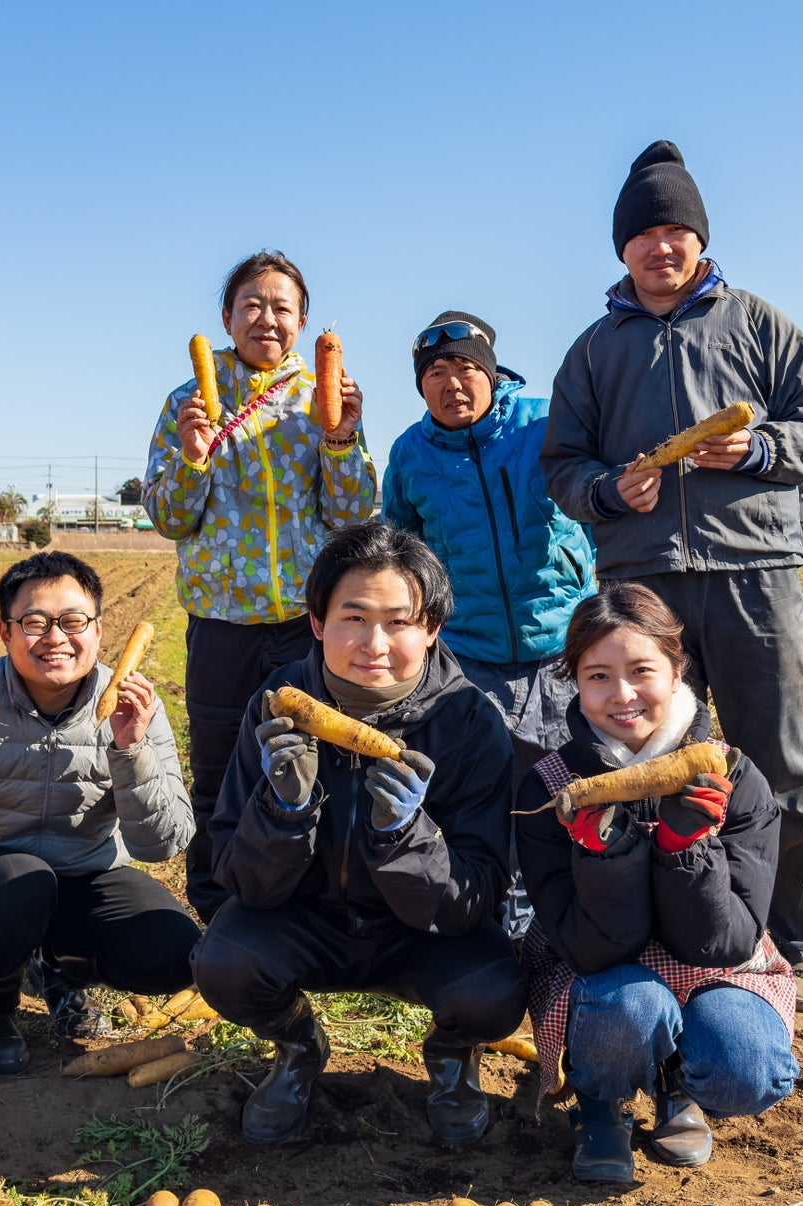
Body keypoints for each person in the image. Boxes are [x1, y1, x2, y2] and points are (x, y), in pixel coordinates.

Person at [539, 139, 803, 1011]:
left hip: (754, 570)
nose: (661, 248)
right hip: (644, 587)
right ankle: (675, 931)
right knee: (651, 764)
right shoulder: (595, 350)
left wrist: (759, 448)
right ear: (622, 249)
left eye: (677, 232)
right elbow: (562, 466)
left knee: (786, 763)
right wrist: (606, 490)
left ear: (699, 243)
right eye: (645, 235)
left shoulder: (757, 323)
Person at [192, 520, 526, 1145]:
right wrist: (283, 812)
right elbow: (237, 877)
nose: (374, 643)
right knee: (224, 964)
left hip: (420, 931)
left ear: (431, 630)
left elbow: (479, 897)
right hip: (306, 917)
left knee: (495, 993)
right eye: (353, 617)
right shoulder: (276, 700)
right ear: (317, 623)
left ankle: (454, 1056)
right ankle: (298, 1047)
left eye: (399, 622)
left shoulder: (470, 721)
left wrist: (406, 837)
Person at [516, 584, 798, 1182]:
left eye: (641, 670)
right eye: (598, 676)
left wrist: (684, 846)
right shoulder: (550, 787)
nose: (621, 696)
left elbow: (724, 944)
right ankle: (600, 1099)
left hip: (714, 965)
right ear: (575, 682)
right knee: (631, 1006)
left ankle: (680, 1085)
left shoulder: (736, 778)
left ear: (677, 671)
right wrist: (602, 854)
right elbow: (592, 949)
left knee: (744, 1064)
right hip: (600, 971)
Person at [0, 551, 200, 1075]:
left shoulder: (134, 705)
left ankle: (56, 966)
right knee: (21, 885)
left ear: (97, 631)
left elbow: (161, 844)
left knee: (171, 950)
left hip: (85, 871)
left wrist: (130, 748)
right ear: (5, 634)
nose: (55, 637)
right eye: (34, 622)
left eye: (73, 621)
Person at [144, 250, 376, 924]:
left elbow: (353, 514)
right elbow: (168, 516)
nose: (266, 319)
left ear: (302, 322)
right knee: (219, 776)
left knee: (315, 766)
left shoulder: (322, 396)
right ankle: (218, 917)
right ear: (227, 316)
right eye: (252, 304)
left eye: (281, 308)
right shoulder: (186, 401)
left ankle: (309, 908)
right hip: (220, 625)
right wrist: (191, 458)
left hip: (303, 625)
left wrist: (343, 442)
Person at [381, 312, 594, 934]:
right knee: (487, 781)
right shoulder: (410, 453)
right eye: (437, 373)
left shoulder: (544, 425)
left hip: (561, 641)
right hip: (469, 651)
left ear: (492, 372)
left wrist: (587, 577)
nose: (454, 384)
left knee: (565, 771)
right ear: (421, 385)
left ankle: (577, 899)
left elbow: (597, 497)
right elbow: (401, 548)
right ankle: (504, 896)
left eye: (468, 368)